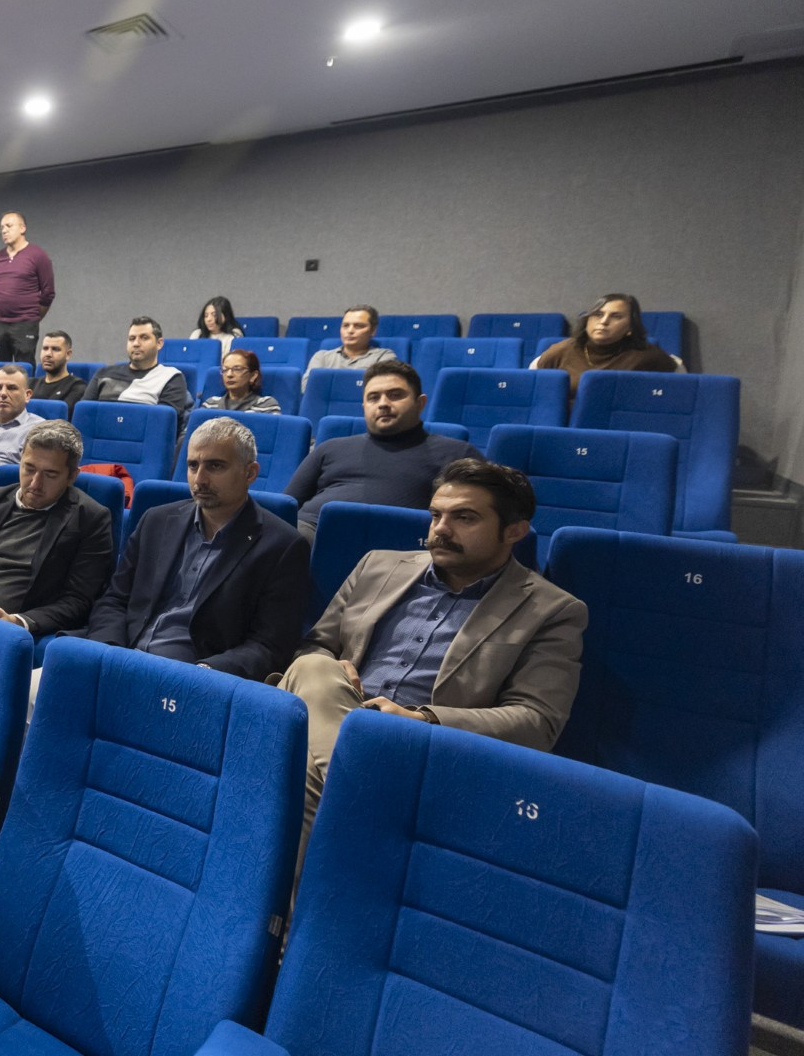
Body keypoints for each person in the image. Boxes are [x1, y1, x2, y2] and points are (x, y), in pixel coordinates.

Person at [281, 458, 587, 851]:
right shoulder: (378, 565)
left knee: (295, 781)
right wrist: (332, 663)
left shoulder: (552, 610)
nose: (441, 529)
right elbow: (317, 644)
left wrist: (423, 719)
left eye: (465, 518)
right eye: (436, 515)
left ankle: (349, 792)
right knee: (315, 668)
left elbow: (536, 720)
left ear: (514, 531)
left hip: (420, 748)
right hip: (333, 709)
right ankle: (358, 792)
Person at [87, 418, 310, 681]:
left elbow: (269, 646)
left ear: (250, 473)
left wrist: (205, 674)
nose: (200, 479)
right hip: (122, 657)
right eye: (193, 465)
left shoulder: (282, 546)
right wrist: (109, 650)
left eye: (215, 466)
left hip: (193, 678)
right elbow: (114, 600)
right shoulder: (156, 521)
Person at [0, 420, 114, 634]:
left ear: (72, 476)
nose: (35, 483)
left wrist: (19, 622)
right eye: (29, 468)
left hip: (12, 631)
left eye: (50, 474)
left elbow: (78, 600)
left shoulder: (91, 518)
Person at [284, 360, 481, 537]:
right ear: (364, 406)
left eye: (395, 395)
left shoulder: (457, 454)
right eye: (373, 398)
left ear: (420, 403)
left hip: (386, 547)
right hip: (304, 534)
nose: (383, 404)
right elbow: (286, 506)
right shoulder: (330, 448)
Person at [532, 292, 679, 398]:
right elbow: (533, 389)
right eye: (598, 315)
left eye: (616, 316)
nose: (603, 321)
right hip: (569, 425)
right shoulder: (563, 350)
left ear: (630, 327)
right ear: (587, 321)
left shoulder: (647, 354)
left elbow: (679, 387)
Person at [83, 316, 193, 415]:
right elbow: (84, 413)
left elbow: (163, 421)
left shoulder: (171, 378)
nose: (136, 343)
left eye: (144, 338)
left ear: (159, 343)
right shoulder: (103, 373)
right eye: (132, 338)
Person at [0, 210, 56, 362]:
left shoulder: (38, 255)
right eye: (1, 227)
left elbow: (48, 292)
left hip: (25, 323)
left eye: (9, 226)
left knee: (23, 369)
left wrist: (32, 317)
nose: (4, 231)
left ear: (22, 228)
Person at [302, 306, 397, 389]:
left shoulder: (384, 357)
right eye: (345, 326)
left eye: (358, 326)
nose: (350, 331)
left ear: (373, 331)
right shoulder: (322, 357)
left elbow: (380, 387)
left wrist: (330, 383)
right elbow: (308, 388)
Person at [201, 349, 282, 413]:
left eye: (237, 369)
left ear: (253, 376)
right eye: (225, 369)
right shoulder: (210, 405)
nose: (229, 374)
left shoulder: (266, 406)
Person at [30, 330, 87, 408]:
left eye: (55, 349)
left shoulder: (77, 387)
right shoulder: (30, 384)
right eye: (45, 348)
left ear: (68, 354)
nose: (48, 354)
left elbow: (60, 414)